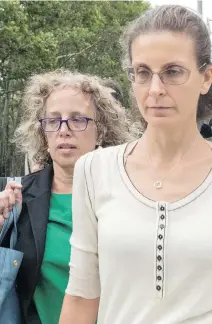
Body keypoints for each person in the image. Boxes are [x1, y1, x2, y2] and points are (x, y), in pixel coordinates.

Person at [59, 5, 212, 324]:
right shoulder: (95, 170)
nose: (155, 89)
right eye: (142, 72)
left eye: (172, 71)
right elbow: (81, 296)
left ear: (205, 78)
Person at [0, 69, 135, 324]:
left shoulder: (131, 194)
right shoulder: (17, 199)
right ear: (43, 133)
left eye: (77, 119)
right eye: (53, 121)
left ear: (101, 131)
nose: (64, 130)